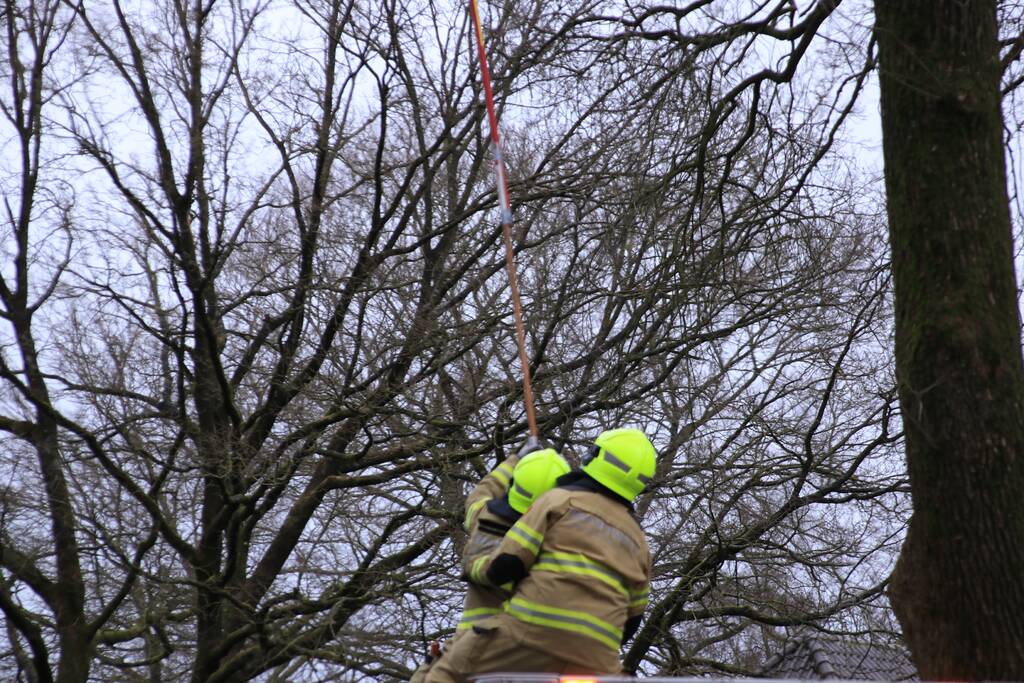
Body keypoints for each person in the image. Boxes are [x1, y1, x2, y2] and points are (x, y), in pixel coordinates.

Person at [424, 427, 656, 683]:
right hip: (596, 658)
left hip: (529, 636)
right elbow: (632, 622)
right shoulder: (639, 542)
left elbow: (506, 565)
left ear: (594, 457)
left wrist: (475, 569)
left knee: (445, 673)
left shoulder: (558, 502)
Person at [409, 439, 570, 683]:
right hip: (533, 657)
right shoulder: (555, 545)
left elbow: (480, 494)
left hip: (468, 649)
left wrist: (516, 459)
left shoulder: (484, 518)